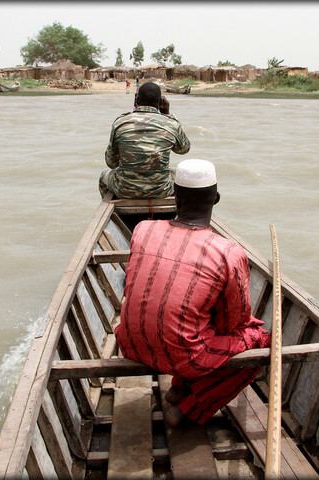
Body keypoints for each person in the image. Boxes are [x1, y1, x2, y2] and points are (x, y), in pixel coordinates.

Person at [114, 159, 271, 427]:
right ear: (216, 198)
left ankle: (179, 388)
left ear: (175, 196)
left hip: (130, 342)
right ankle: (187, 409)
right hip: (183, 355)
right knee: (259, 338)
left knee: (191, 320)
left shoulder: (142, 229)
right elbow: (235, 322)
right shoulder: (228, 252)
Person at [99, 82, 191, 199]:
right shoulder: (171, 124)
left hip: (125, 190)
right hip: (161, 190)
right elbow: (183, 149)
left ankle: (116, 212)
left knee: (103, 176)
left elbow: (111, 163)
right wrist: (168, 114)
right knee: (180, 176)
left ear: (137, 100)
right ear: (161, 103)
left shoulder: (120, 122)